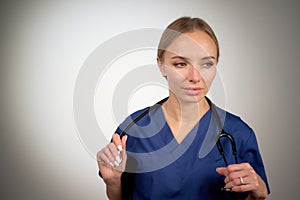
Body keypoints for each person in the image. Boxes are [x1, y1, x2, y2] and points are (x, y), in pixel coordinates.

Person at [97, 16, 270, 200]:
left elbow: (250, 195)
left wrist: (258, 194)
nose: (195, 76)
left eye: (206, 64)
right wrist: (113, 182)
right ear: (161, 66)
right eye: (180, 63)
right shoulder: (133, 130)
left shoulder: (238, 134)